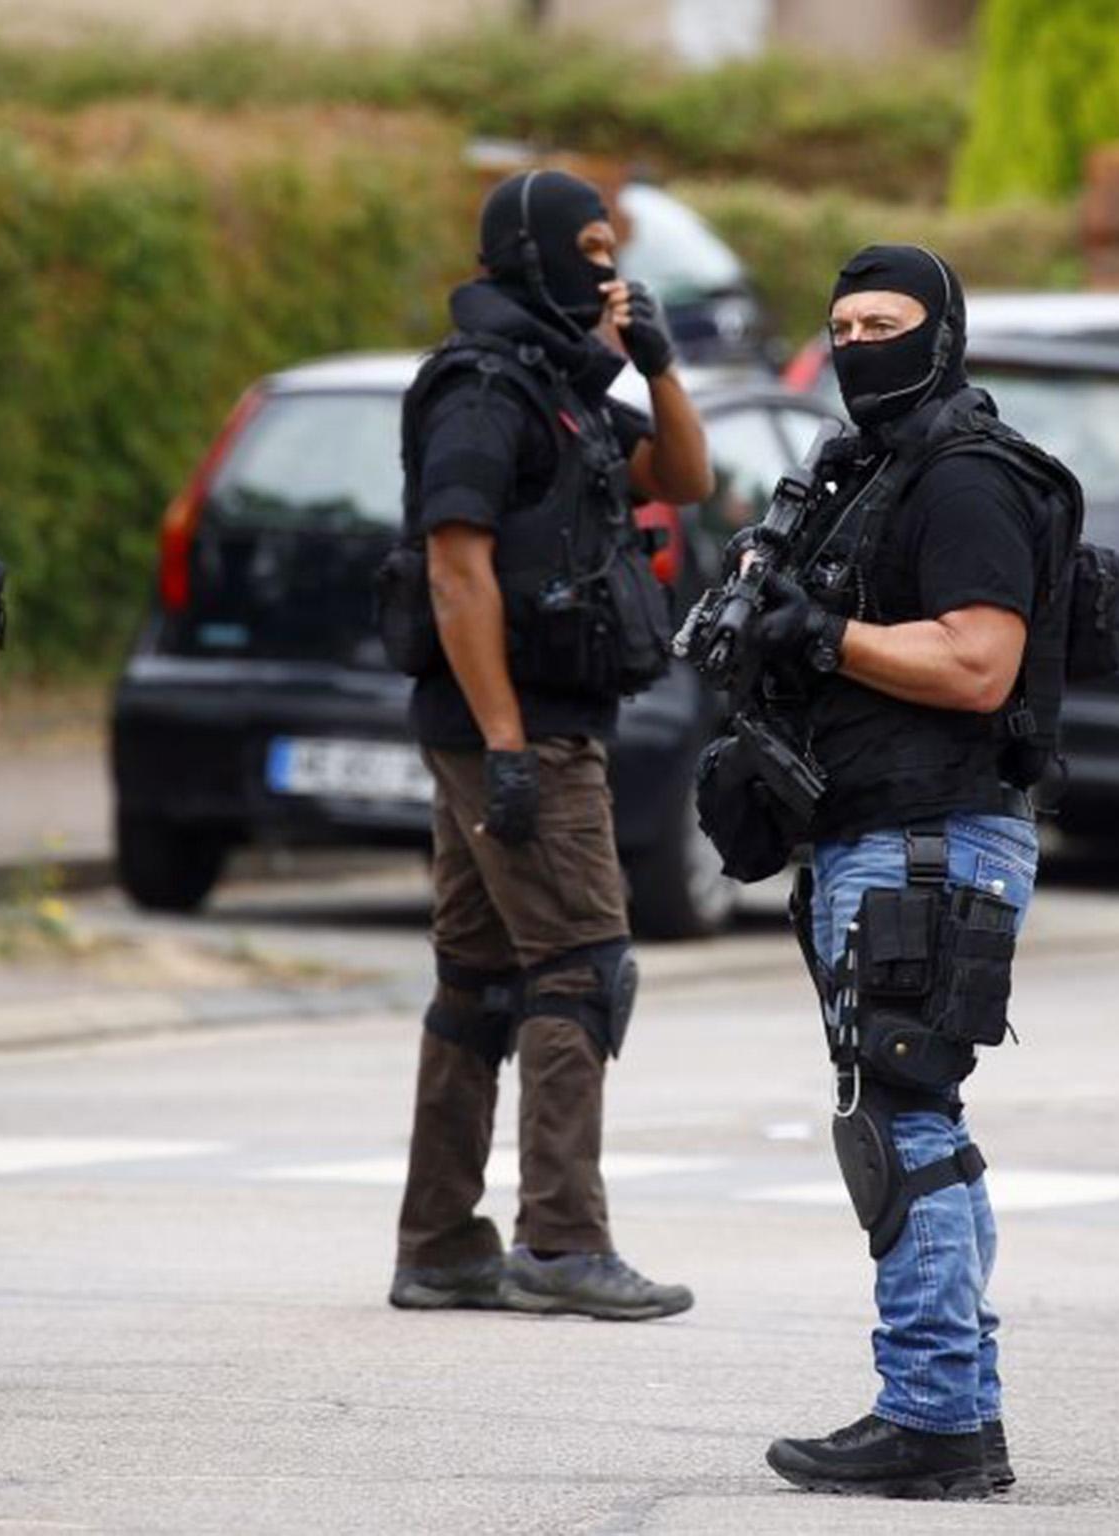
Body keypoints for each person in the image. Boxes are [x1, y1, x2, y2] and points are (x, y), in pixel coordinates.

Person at [732, 246, 1075, 1498]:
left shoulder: (967, 483)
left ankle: (930, 1416)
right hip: (881, 832)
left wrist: (822, 636)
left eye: (886, 321)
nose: (858, 343)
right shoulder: (872, 473)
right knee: (920, 1119)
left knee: (901, 1117)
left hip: (933, 837)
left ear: (943, 332)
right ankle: (952, 1411)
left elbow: (979, 664)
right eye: (839, 322)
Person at [384, 169, 712, 1321]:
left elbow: (682, 477)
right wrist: (507, 743)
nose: (608, 266)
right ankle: (562, 1243)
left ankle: (438, 1246)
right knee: (580, 970)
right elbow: (454, 565)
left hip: (534, 725)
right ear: (525, 252)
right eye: (587, 245)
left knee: (476, 984)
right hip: (517, 730)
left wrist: (657, 362)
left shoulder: (557, 386)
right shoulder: (480, 390)